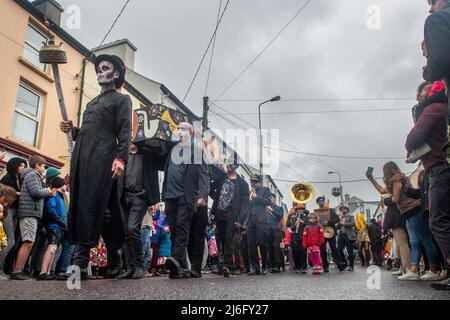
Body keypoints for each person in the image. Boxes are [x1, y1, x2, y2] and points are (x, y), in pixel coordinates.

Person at [59, 54, 132, 280]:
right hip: (83, 160)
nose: (101, 71)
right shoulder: (91, 103)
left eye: (106, 68)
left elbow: (124, 131)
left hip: (104, 160)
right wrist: (73, 130)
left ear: (116, 74)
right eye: (98, 68)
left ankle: (80, 264)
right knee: (96, 209)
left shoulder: (122, 100)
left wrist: (121, 159)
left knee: (93, 207)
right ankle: (114, 260)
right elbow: (89, 133)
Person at [423, 0, 450, 290]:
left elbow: (438, 65)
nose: (430, 9)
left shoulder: (439, 20)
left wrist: (429, 72)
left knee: (441, 218)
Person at [162, 122, 210, 279]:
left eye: (183, 129)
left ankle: (175, 258)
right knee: (174, 229)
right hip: (170, 195)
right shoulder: (172, 150)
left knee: (182, 226)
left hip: (186, 195)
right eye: (178, 128)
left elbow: (204, 174)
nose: (179, 131)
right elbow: (168, 171)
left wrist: (202, 194)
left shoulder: (196, 151)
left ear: (190, 133)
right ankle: (180, 266)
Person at [118, 143, 160, 280]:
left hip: (139, 197)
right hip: (124, 197)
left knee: (132, 228)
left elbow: (159, 156)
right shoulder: (122, 155)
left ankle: (139, 266)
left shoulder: (147, 154)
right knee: (124, 232)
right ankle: (130, 267)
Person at [10, 156, 55, 281]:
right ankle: (17, 270)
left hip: (31, 213)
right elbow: (36, 192)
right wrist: (48, 190)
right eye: (43, 166)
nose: (44, 169)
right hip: (29, 213)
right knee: (28, 242)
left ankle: (20, 270)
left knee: (29, 242)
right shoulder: (32, 176)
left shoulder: (34, 176)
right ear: (37, 165)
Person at [209, 163, 250, 277]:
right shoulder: (221, 177)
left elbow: (246, 204)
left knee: (229, 238)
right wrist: (217, 198)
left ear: (236, 166)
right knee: (220, 238)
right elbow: (211, 188)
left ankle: (227, 265)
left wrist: (240, 219)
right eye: (228, 164)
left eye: (232, 164)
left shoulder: (243, 184)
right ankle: (223, 264)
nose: (229, 166)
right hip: (219, 213)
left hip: (233, 215)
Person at [0, 158, 27, 279]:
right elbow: (4, 193)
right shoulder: (7, 178)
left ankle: (5, 268)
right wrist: (17, 193)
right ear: (14, 166)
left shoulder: (20, 180)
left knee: (12, 241)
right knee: (8, 241)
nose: (22, 167)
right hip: (7, 210)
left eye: (24, 165)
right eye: (20, 165)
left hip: (16, 212)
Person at [37, 177, 67, 281]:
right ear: (60, 185)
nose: (66, 186)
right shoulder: (53, 196)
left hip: (58, 226)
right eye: (64, 184)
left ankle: (48, 272)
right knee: (51, 247)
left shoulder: (59, 196)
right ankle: (43, 271)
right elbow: (51, 209)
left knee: (53, 249)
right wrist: (61, 221)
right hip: (54, 226)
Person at [246, 174, 272, 276]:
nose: (253, 183)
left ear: (259, 182)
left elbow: (268, 201)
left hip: (261, 220)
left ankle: (265, 266)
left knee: (262, 244)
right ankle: (255, 268)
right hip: (251, 220)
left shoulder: (265, 190)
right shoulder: (249, 192)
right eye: (251, 181)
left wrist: (256, 196)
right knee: (251, 245)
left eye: (255, 181)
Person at [315, 196, 346, 272]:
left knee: (334, 248)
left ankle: (339, 265)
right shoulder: (316, 212)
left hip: (331, 232)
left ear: (324, 201)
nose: (321, 202)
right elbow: (315, 222)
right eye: (319, 201)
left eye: (322, 201)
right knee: (322, 250)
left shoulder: (331, 210)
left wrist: (329, 222)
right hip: (322, 233)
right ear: (317, 203)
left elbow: (337, 219)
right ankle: (325, 266)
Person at [287, 203, 309, 273]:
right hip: (295, 237)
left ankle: (304, 267)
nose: (300, 211)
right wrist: (295, 224)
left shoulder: (306, 217)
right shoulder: (293, 217)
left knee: (303, 252)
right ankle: (297, 266)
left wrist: (302, 221)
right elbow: (290, 228)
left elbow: (308, 225)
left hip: (303, 236)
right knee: (295, 252)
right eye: (299, 209)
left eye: (301, 209)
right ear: (296, 210)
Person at [267, 193, 284, 273]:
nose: (270, 199)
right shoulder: (265, 208)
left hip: (276, 229)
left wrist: (271, 210)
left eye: (271, 197)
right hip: (268, 229)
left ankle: (278, 265)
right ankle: (272, 265)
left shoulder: (279, 208)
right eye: (269, 197)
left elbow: (279, 217)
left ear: (274, 199)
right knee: (270, 248)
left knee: (276, 247)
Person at [336, 205, 357, 271]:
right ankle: (344, 263)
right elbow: (338, 227)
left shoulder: (351, 216)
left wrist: (344, 224)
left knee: (349, 251)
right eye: (341, 209)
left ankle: (351, 266)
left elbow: (353, 224)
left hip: (349, 236)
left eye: (344, 209)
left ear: (347, 210)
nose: (343, 210)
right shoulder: (341, 218)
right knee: (339, 249)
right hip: (341, 235)